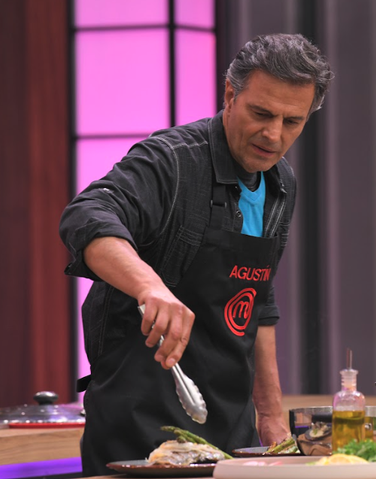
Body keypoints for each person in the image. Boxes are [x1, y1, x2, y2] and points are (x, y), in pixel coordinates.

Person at [59, 32, 333, 476]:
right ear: (230, 95)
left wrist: (269, 414)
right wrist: (150, 286)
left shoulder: (280, 182)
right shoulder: (172, 161)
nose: (273, 135)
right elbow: (87, 214)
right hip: (140, 423)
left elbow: (258, 303)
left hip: (232, 427)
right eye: (261, 113)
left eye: (292, 122)